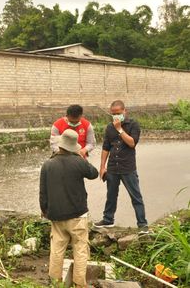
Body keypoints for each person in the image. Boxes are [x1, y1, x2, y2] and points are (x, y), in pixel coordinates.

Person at [40, 129, 99, 287]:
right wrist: (81, 157)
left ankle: (54, 282)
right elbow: (94, 174)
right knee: (80, 251)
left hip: (56, 216)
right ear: (74, 147)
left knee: (57, 250)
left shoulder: (48, 164)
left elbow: (43, 192)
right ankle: (79, 284)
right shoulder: (78, 161)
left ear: (60, 145)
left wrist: (45, 211)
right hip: (77, 215)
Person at [94, 100, 149, 234]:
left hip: (128, 167)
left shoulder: (133, 124)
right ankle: (108, 219)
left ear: (125, 111)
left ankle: (142, 224)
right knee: (111, 195)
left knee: (135, 196)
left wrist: (119, 129)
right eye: (113, 114)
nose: (116, 116)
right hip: (113, 167)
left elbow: (132, 143)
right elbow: (106, 147)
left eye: (118, 113)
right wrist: (102, 167)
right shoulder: (109, 127)